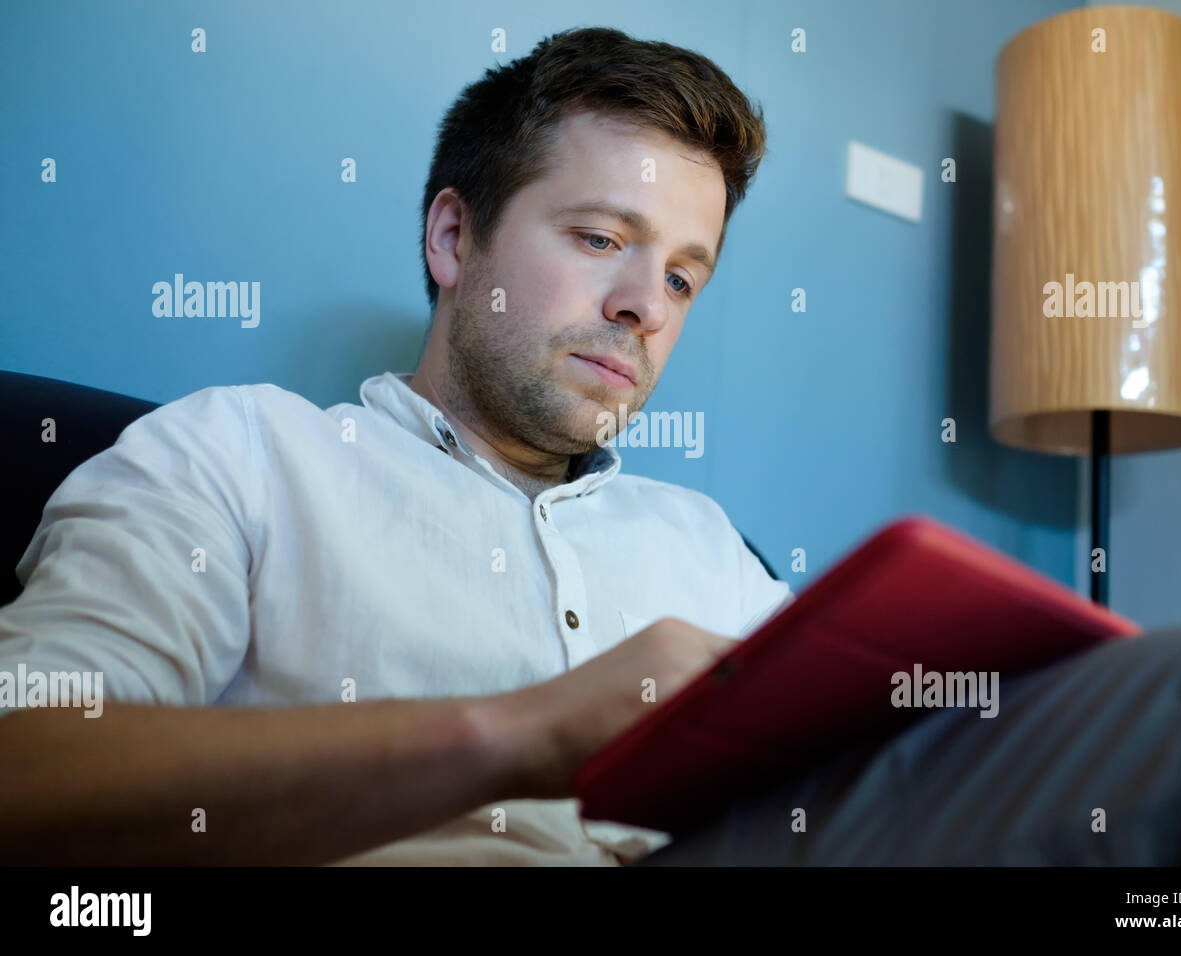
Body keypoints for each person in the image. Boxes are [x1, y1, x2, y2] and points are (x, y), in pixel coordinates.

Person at [0, 26, 789, 865]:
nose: (649, 308)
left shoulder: (714, 551)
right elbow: (23, 766)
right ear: (452, 237)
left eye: (681, 277)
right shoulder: (238, 454)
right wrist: (524, 730)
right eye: (599, 238)